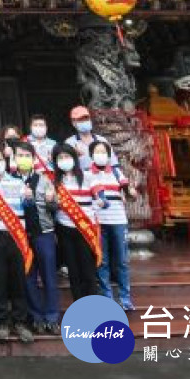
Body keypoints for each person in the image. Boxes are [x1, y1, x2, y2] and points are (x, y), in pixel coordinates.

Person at [0, 146, 35, 344]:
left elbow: (27, 206)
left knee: (18, 279)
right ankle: (1, 321)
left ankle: (20, 321)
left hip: (16, 236)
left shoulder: (18, 182)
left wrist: (29, 198)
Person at [14, 141, 60, 335]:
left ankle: (52, 317)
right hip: (20, 236)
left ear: (33, 159)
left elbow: (55, 208)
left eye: (27, 155)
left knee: (49, 275)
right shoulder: (10, 180)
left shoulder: (44, 180)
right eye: (19, 155)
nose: (23, 159)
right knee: (28, 277)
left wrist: (51, 202)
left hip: (44, 234)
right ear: (13, 158)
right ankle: (36, 317)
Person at [90, 140, 136, 311]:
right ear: (91, 155)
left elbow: (130, 194)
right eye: (97, 152)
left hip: (118, 220)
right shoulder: (88, 175)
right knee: (103, 261)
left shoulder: (117, 173)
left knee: (122, 260)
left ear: (109, 156)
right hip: (99, 222)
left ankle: (125, 297)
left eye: (104, 152)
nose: (100, 155)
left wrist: (131, 192)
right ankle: (107, 297)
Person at [51, 144, 100, 300]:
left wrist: (102, 201)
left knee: (88, 270)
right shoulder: (54, 181)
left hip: (85, 228)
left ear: (74, 158)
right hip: (64, 229)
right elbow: (51, 206)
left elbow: (101, 196)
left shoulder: (87, 176)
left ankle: (93, 305)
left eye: (67, 156)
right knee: (73, 271)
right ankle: (79, 307)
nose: (64, 160)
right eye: (60, 158)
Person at [64, 105, 117, 170]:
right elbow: (66, 168)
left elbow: (113, 164)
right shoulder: (70, 143)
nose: (84, 121)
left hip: (103, 177)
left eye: (86, 118)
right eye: (80, 119)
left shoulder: (101, 140)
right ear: (73, 123)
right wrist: (74, 156)